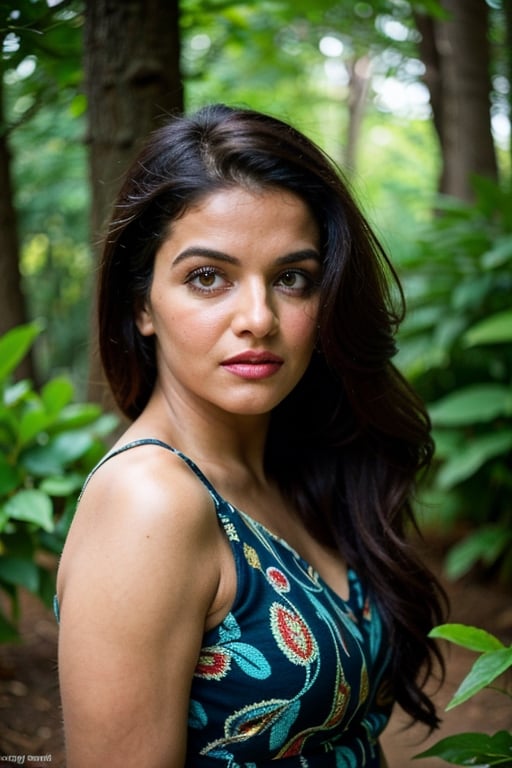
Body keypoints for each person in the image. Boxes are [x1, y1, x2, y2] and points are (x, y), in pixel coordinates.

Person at [55, 103, 447, 768]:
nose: (259, 318)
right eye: (208, 277)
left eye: (292, 278)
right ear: (142, 304)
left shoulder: (292, 470)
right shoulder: (149, 503)